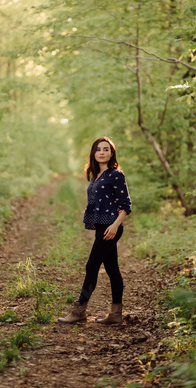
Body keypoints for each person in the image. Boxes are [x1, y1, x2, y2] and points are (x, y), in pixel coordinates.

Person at [58, 136, 132, 325]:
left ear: (111, 153)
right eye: (98, 149)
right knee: (112, 269)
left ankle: (79, 310)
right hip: (102, 227)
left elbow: (126, 206)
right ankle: (116, 314)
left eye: (106, 149)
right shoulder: (96, 175)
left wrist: (115, 226)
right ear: (93, 153)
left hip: (110, 227)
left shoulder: (116, 175)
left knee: (92, 266)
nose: (102, 152)